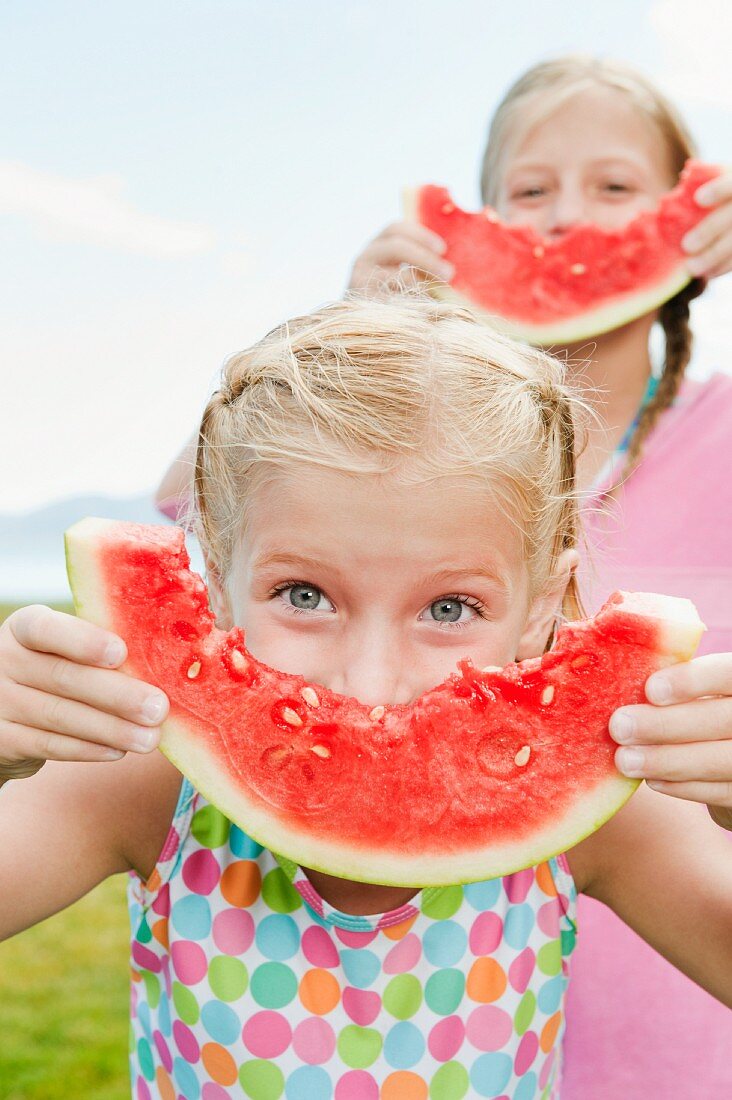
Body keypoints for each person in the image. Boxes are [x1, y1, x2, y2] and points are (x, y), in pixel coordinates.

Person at [1, 295, 732, 1100]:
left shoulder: (605, 819)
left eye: (448, 609)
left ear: (541, 606)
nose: (370, 681)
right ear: (213, 578)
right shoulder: (148, 781)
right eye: (305, 595)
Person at [346, 57, 732, 1098]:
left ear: (695, 219)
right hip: (435, 1005)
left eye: (615, 188)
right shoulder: (423, 443)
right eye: (530, 190)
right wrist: (357, 348)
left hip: (687, 1004)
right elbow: (218, 527)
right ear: (479, 225)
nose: (568, 217)